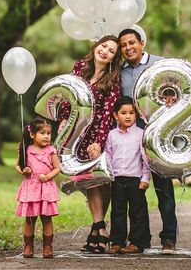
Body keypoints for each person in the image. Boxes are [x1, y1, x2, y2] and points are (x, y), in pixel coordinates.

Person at [58, 35, 121, 253]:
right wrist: (64, 118)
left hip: (98, 134)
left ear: (115, 57)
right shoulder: (79, 67)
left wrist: (98, 140)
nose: (105, 51)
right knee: (88, 181)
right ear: (96, 45)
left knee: (101, 182)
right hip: (78, 132)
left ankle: (98, 230)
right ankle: (100, 229)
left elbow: (107, 113)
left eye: (111, 50)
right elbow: (69, 94)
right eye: (104, 46)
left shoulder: (113, 78)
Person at [118, 28, 178, 255]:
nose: (128, 48)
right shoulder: (119, 72)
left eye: (131, 42)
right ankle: (139, 240)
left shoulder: (160, 64)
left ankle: (169, 239)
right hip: (131, 141)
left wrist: (173, 94)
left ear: (142, 43)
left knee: (164, 189)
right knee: (135, 193)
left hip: (158, 138)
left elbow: (180, 88)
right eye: (123, 45)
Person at [104, 96, 151, 254]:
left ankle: (136, 242)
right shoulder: (112, 135)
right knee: (118, 211)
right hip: (117, 179)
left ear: (136, 114)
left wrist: (145, 178)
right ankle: (117, 241)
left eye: (131, 112)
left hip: (135, 179)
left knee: (137, 212)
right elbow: (108, 156)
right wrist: (108, 175)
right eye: (123, 113)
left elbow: (146, 159)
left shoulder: (141, 134)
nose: (128, 116)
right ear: (116, 115)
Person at [15, 116, 60, 259]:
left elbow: (57, 168)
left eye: (48, 133)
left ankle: (48, 247)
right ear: (32, 134)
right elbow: (18, 165)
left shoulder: (51, 150)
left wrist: (48, 176)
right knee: (30, 219)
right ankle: (28, 246)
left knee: (47, 219)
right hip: (31, 188)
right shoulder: (26, 149)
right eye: (42, 133)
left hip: (45, 188)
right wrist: (23, 170)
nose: (46, 136)